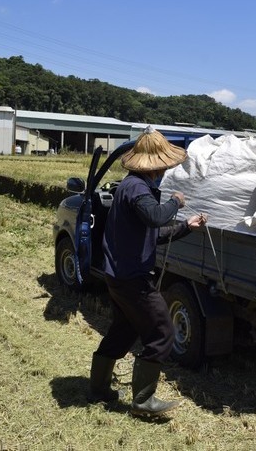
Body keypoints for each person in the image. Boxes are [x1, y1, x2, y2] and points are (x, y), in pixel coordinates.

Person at [88, 126, 207, 418]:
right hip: (131, 278)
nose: (166, 170)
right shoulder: (137, 188)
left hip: (118, 274)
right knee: (162, 331)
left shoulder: (131, 187)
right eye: (164, 166)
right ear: (155, 166)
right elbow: (156, 217)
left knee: (123, 330)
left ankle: (99, 387)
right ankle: (143, 401)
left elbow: (153, 234)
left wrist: (185, 226)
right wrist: (176, 201)